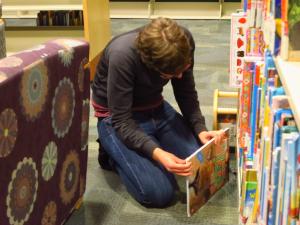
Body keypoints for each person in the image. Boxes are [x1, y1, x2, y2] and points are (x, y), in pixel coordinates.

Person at [92, 17, 225, 208]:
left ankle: (146, 145)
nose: (179, 76)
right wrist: (158, 153)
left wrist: (200, 128)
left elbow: (186, 92)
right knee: (159, 194)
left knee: (201, 166)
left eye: (183, 69)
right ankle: (111, 154)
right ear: (150, 65)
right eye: (170, 76)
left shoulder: (183, 43)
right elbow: (122, 120)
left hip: (156, 108)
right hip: (117, 117)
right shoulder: (122, 55)